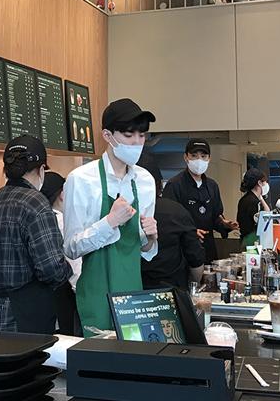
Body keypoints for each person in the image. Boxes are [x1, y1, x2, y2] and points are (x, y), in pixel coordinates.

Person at [63, 98, 159, 335]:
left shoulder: (145, 181)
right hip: (96, 294)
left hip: (132, 295)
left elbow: (144, 250)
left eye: (142, 135)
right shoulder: (81, 179)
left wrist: (151, 238)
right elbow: (71, 247)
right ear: (107, 135)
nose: (137, 142)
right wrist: (110, 222)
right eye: (129, 135)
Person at [0, 135, 72, 333]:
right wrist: (68, 269)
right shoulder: (35, 202)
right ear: (41, 169)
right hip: (23, 316)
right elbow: (51, 268)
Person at [163, 138, 238, 264]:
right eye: (194, 156)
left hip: (208, 248)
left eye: (203, 156)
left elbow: (215, 217)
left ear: (209, 158)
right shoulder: (175, 185)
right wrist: (190, 232)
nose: (199, 160)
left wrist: (225, 224)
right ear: (186, 157)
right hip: (183, 251)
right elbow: (169, 221)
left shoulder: (212, 186)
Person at [138, 150, 205, 290]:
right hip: (171, 292)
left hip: (129, 295)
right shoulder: (176, 212)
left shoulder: (119, 214)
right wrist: (193, 287)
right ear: (159, 184)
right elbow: (195, 260)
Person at [42, 170, 83, 335]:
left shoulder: (43, 219)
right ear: (62, 194)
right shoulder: (62, 222)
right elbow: (75, 268)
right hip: (65, 298)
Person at [236, 168, 271, 249]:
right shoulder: (253, 202)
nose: (266, 184)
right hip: (251, 241)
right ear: (259, 182)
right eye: (264, 181)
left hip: (246, 240)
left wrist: (261, 197)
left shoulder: (245, 199)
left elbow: (267, 212)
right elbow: (265, 218)